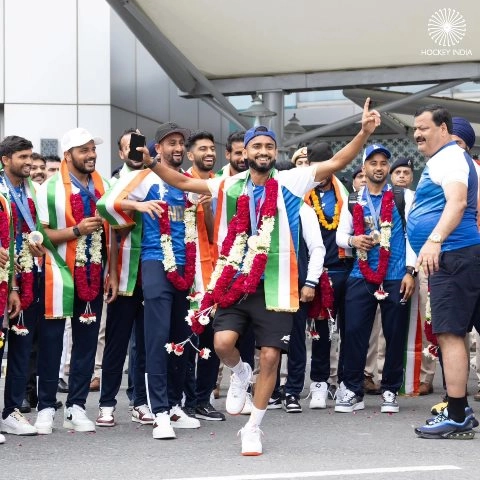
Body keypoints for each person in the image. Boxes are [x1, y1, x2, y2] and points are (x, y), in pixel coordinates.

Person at [130, 98, 380, 455]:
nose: (263, 152)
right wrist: (152, 162)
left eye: (269, 147)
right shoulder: (227, 185)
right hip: (235, 283)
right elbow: (178, 182)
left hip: (277, 286)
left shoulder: (293, 180)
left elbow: (337, 162)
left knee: (269, 357)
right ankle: (240, 374)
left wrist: (363, 132)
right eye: (257, 146)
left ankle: (253, 427)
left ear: (275, 152)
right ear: (244, 153)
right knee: (222, 344)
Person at [97, 122, 202, 440]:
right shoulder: (143, 176)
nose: (178, 148)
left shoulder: (187, 183)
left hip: (186, 267)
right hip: (154, 264)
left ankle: (173, 404)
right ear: (157, 148)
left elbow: (199, 226)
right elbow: (106, 205)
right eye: (171, 142)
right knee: (156, 338)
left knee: (181, 338)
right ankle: (159, 413)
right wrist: (137, 205)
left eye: (181, 142)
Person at [34, 127, 115, 434]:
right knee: (53, 342)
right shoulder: (49, 189)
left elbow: (113, 236)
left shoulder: (104, 185)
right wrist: (78, 231)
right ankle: (45, 408)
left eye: (93, 148)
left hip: (94, 273)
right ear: (68, 156)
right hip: (58, 273)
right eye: (84, 150)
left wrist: (113, 273)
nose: (91, 154)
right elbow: (42, 236)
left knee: (86, 342)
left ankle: (77, 406)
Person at [406, 105, 480, 439]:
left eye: (423, 127)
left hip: (452, 256)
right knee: (458, 333)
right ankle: (459, 409)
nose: (418, 134)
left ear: (444, 129)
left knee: (450, 334)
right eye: (414, 130)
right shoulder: (445, 158)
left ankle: (457, 414)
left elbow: (458, 201)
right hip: (459, 255)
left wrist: (435, 240)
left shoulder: (449, 157)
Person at [335, 143, 416, 414]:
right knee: (355, 333)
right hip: (360, 273)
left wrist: (409, 271)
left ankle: (390, 390)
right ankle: (352, 390)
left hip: (395, 276)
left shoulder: (403, 197)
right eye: (373, 163)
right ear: (364, 167)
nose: (378, 167)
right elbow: (339, 236)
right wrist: (353, 239)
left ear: (388, 169)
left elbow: (412, 236)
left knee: (394, 335)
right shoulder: (353, 199)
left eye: (383, 163)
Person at [95, 128, 152, 428]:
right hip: (125, 274)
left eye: (139, 145)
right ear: (120, 153)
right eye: (129, 146)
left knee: (144, 344)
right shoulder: (116, 184)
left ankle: (140, 402)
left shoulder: (157, 177)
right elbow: (114, 235)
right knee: (117, 343)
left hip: (154, 275)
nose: (135, 150)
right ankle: (106, 404)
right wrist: (113, 274)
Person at [270, 160, 325, 413]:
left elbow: (316, 249)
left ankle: (292, 391)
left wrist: (310, 282)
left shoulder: (303, 210)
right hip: (268, 285)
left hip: (296, 285)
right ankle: (269, 391)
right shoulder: (263, 205)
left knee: (295, 341)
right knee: (267, 341)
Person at [302, 141, 352, 409]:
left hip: (344, 268)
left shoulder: (344, 191)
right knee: (320, 331)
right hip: (316, 272)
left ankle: (344, 383)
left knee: (348, 329)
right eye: (316, 166)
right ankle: (319, 383)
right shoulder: (303, 193)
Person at [184, 130, 225, 421]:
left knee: (211, 337)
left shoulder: (221, 185)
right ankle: (183, 399)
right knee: (186, 337)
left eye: (212, 148)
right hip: (186, 271)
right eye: (202, 148)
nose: (209, 153)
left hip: (215, 272)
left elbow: (218, 233)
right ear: (190, 154)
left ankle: (202, 398)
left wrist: (209, 211)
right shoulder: (180, 182)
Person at [0, 137, 36, 437]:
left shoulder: (29, 190)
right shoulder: (1, 191)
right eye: (22, 157)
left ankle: (11, 411)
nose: (28, 162)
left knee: (22, 350)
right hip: (3, 280)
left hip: (22, 277)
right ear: (5, 159)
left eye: (30, 156)